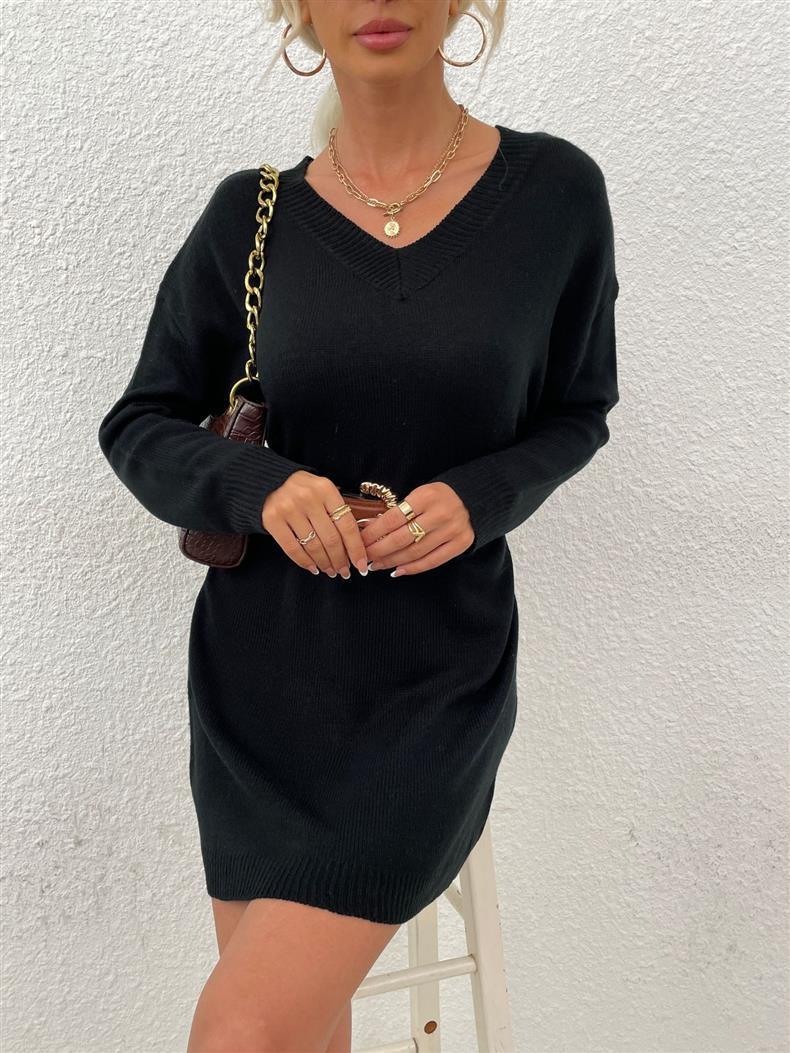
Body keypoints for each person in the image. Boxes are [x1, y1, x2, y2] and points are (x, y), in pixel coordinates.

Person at [96, 1, 620, 1049]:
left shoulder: (554, 193)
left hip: (433, 681)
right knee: (294, 1030)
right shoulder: (250, 215)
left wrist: (479, 498)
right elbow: (139, 424)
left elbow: (578, 410)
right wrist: (260, 486)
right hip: (258, 682)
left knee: (242, 1031)